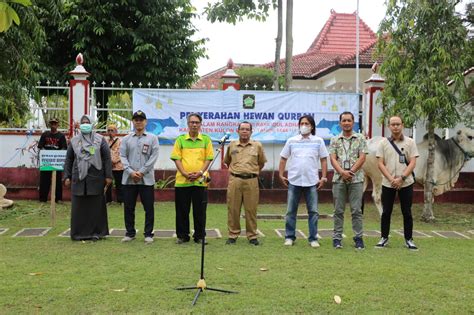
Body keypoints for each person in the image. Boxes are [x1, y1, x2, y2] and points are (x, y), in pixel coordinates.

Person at [279, 115, 328, 248]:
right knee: (290, 211)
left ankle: (313, 238)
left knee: (313, 211)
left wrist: (323, 176)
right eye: (302, 123)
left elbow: (324, 159)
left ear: (312, 126)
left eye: (307, 123)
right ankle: (289, 237)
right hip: (293, 181)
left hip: (312, 181)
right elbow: (283, 158)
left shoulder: (318, 141)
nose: (304, 126)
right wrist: (280, 174)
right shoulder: (292, 141)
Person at [64, 115, 112, 241]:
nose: (85, 124)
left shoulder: (100, 140)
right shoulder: (74, 141)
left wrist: (108, 176)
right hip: (78, 178)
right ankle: (78, 234)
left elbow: (107, 158)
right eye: (83, 122)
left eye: (87, 122)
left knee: (95, 207)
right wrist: (66, 176)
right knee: (78, 208)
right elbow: (69, 159)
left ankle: (97, 233)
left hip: (95, 178)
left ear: (92, 124)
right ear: (80, 125)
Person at [375, 115, 419, 250]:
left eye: (398, 124)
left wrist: (402, 178)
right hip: (388, 183)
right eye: (393, 124)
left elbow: (413, 162)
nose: (395, 127)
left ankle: (409, 239)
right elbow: (380, 163)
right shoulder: (383, 143)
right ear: (389, 126)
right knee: (386, 211)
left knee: (407, 211)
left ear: (403, 125)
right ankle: (384, 237)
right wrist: (391, 179)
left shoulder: (410, 142)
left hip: (406, 183)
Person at [171, 113, 214, 245]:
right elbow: (176, 158)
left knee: (200, 211)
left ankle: (200, 236)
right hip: (183, 182)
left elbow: (208, 158)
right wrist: (184, 173)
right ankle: (183, 236)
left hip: (200, 181)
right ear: (188, 124)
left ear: (200, 124)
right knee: (182, 210)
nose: (194, 124)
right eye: (192, 122)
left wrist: (200, 173)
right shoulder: (180, 140)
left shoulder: (206, 140)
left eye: (197, 122)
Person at [329, 111, 368, 249]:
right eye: (343, 121)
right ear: (340, 123)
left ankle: (358, 238)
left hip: (356, 179)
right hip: (339, 179)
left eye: (349, 121)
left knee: (356, 210)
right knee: (338, 210)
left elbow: (362, 157)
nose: (346, 123)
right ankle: (337, 238)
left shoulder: (360, 138)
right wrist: (342, 172)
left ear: (353, 122)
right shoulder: (335, 140)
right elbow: (332, 158)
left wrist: (350, 172)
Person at [224, 121, 267, 246]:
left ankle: (252, 236)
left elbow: (262, 163)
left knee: (251, 209)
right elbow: (227, 161)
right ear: (237, 131)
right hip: (235, 180)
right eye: (242, 129)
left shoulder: (257, 146)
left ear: (251, 132)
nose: (244, 131)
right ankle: (233, 235)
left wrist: (253, 172)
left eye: (247, 129)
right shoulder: (232, 145)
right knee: (233, 209)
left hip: (251, 181)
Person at [120, 110, 159, 244]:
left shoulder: (153, 138)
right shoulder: (126, 139)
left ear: (145, 122)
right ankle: (130, 233)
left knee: (148, 207)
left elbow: (153, 157)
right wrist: (131, 172)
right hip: (129, 179)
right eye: (136, 120)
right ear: (133, 122)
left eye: (141, 120)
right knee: (128, 207)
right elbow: (122, 157)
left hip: (146, 179)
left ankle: (148, 234)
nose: (138, 122)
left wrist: (141, 172)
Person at [38, 117, 67, 202]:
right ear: (49, 124)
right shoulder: (45, 135)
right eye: (52, 123)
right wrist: (47, 154)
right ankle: (43, 198)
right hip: (46, 161)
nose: (53, 125)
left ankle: (58, 199)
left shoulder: (61, 136)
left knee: (57, 180)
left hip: (56, 162)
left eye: (55, 123)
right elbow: (40, 146)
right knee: (44, 180)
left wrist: (56, 155)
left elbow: (64, 147)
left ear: (58, 124)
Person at [105, 124, 124, 204]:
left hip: (118, 166)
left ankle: (120, 201)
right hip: (108, 166)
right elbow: (104, 152)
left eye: (112, 130)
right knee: (108, 183)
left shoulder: (120, 142)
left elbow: (122, 153)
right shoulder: (105, 141)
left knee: (119, 184)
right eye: (108, 130)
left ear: (116, 132)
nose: (110, 132)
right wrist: (109, 162)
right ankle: (108, 200)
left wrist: (114, 161)